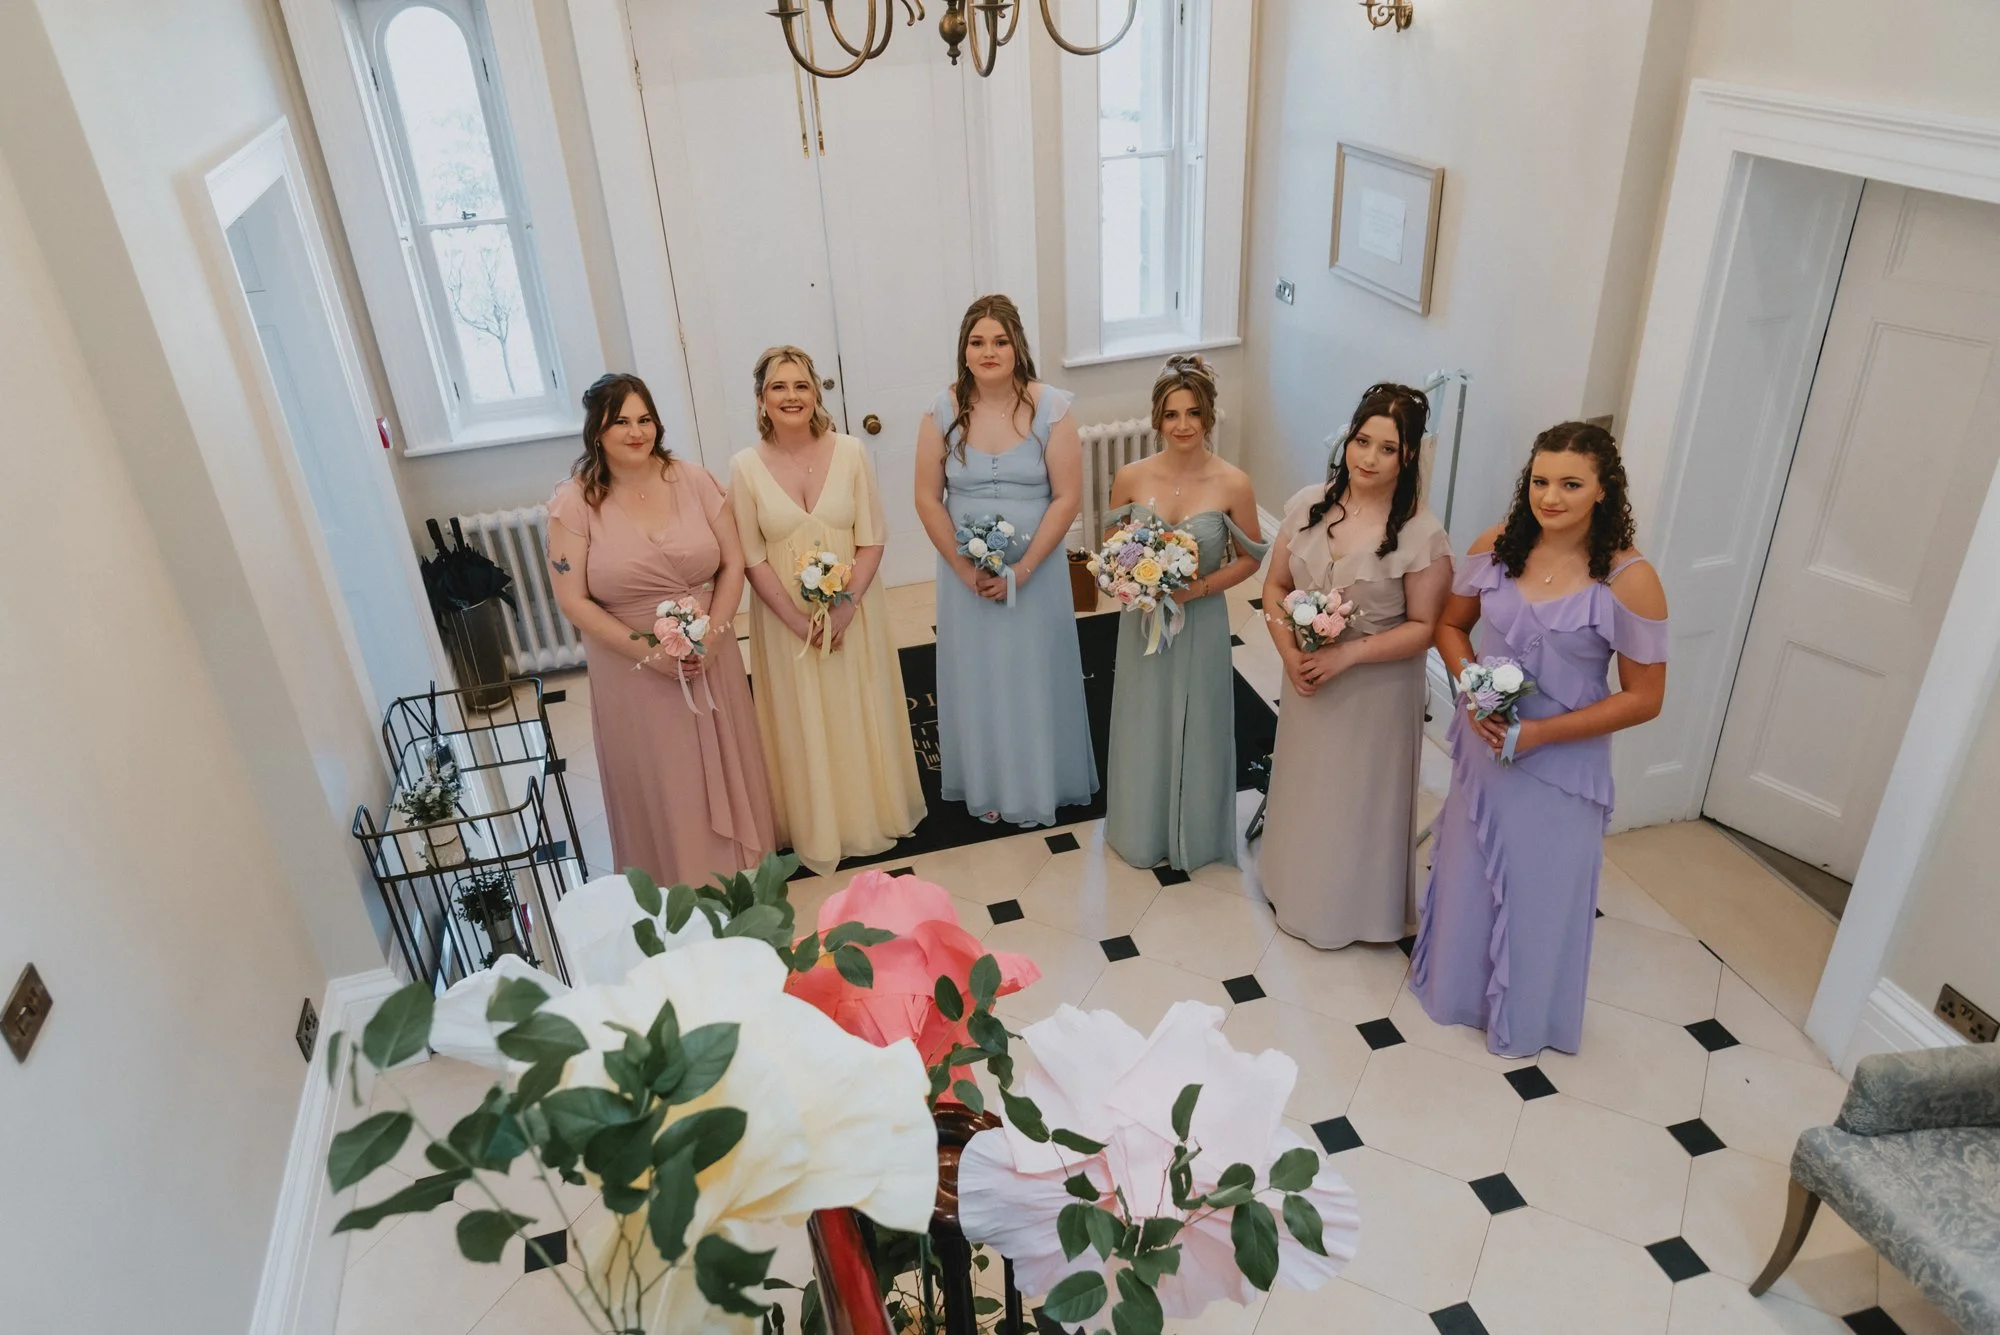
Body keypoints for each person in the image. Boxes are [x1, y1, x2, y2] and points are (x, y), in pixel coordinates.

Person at [1410, 422, 1668, 1057]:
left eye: (1571, 484)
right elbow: (1451, 626)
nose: (1550, 497)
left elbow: (1645, 698)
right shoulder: (1496, 546)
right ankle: (1455, 994)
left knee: (1540, 890)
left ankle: (1525, 1017)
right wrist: (1472, 687)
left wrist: (1539, 734)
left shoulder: (1629, 579)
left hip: (1561, 764)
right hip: (1484, 743)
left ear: (1604, 491)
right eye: (1541, 481)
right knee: (1471, 870)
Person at [546, 373, 775, 888]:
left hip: (709, 653)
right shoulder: (575, 503)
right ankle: (676, 880)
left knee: (722, 755)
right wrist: (652, 654)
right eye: (621, 421)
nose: (636, 431)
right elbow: (573, 599)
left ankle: (741, 875)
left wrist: (714, 638)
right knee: (666, 774)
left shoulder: (692, 480)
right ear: (597, 431)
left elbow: (733, 563)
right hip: (629, 667)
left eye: (644, 419)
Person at [1258, 383, 1452, 948]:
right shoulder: (1306, 504)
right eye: (1361, 441)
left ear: (1409, 455)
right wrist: (1289, 652)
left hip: (1375, 689)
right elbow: (1274, 587)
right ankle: (1290, 884)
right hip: (1310, 677)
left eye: (1386, 448)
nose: (1367, 458)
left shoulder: (1423, 535)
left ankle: (1349, 911)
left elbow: (1423, 630)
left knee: (1355, 797)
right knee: (1308, 784)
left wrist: (1349, 654)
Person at [728, 345, 925, 875]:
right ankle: (815, 822)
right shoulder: (744, 468)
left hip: (852, 615)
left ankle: (869, 813)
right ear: (761, 400)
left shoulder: (852, 452)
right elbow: (749, 557)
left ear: (816, 393)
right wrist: (797, 623)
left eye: (800, 385)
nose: (791, 396)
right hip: (783, 624)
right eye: (778, 387)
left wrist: (844, 611)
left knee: (856, 704)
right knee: (803, 719)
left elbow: (873, 539)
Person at [915, 295, 1098, 827]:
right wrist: (962, 567)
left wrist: (1022, 570)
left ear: (1017, 346)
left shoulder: (1052, 408)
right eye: (977, 342)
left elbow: (1067, 497)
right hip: (964, 578)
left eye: (999, 341)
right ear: (964, 350)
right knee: (978, 676)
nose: (988, 351)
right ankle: (987, 781)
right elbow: (927, 498)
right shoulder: (941, 411)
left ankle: (1043, 779)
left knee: (1034, 673)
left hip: (1035, 575)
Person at [1102, 356, 1267, 872]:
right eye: (1172, 415)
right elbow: (1111, 549)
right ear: (1156, 418)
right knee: (1142, 718)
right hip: (1144, 621)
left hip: (1202, 623)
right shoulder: (1130, 477)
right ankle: (1140, 828)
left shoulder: (1233, 483)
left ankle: (1195, 832)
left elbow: (1250, 560)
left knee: (1201, 722)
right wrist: (1130, 580)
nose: (1183, 425)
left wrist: (1198, 589)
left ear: (1209, 416)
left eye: (1193, 413)